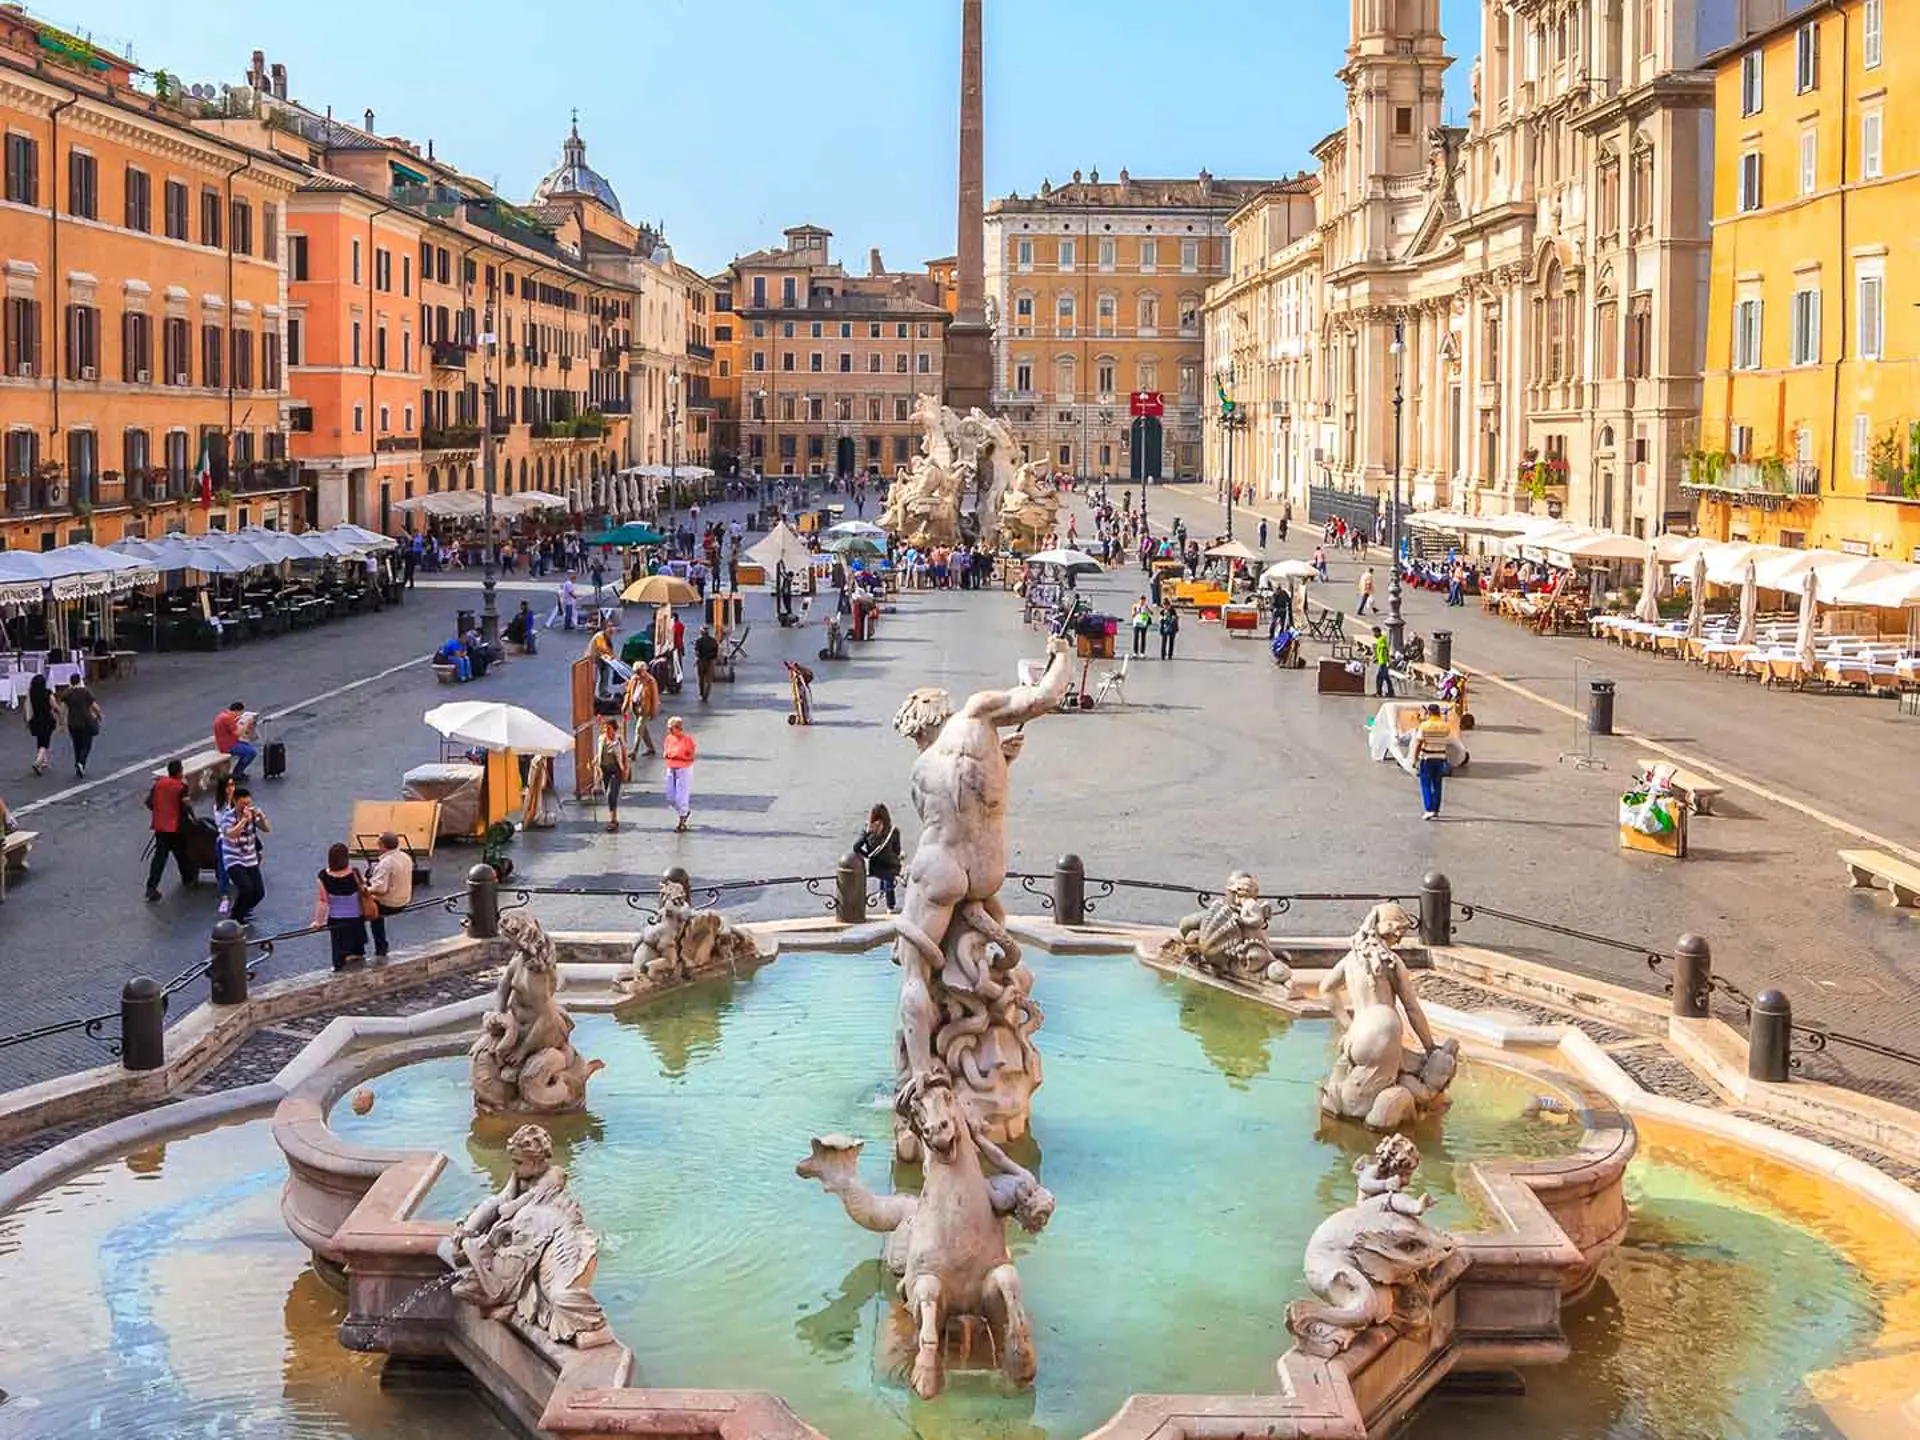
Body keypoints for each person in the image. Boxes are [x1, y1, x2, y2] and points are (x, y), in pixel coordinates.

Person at [313, 841, 370, 971]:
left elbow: (323, 900)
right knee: (357, 951)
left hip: (336, 918)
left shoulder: (323, 876)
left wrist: (318, 921)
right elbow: (364, 890)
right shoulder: (355, 872)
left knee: (339, 949)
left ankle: (338, 968)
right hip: (356, 917)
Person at [144, 758, 195, 902]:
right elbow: (187, 806)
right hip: (176, 828)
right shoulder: (181, 787)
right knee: (182, 854)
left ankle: (151, 887)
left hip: (160, 827)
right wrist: (193, 818)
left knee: (159, 858)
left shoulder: (158, 784)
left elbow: (149, 803)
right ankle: (188, 879)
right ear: (180, 772)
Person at [221, 786, 269, 925]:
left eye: (248, 803)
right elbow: (231, 834)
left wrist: (261, 816)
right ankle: (235, 918)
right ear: (235, 802)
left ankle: (245, 909)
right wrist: (243, 821)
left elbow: (266, 829)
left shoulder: (252, 815)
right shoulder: (228, 817)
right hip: (233, 858)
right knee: (246, 888)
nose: (246, 807)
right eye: (243, 804)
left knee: (259, 893)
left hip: (250, 858)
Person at [365, 830, 413, 958]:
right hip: (405, 900)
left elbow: (380, 889)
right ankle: (381, 946)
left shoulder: (386, 863)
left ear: (382, 846)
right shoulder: (406, 857)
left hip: (390, 904)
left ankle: (376, 947)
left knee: (364, 908)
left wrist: (364, 889)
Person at [853, 803, 903, 912]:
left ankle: (881, 892)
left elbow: (856, 847)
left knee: (882, 871)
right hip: (890, 864)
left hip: (875, 864)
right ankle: (891, 906)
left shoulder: (867, 829)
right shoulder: (893, 830)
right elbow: (897, 850)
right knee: (889, 878)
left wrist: (868, 855)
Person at [1415, 704, 1452, 820]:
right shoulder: (1446, 727)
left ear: (1429, 713)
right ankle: (1436, 809)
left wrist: (1414, 758)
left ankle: (1429, 808)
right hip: (1440, 758)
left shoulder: (1424, 726)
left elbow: (1419, 743)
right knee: (1437, 784)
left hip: (1427, 758)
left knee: (1425, 784)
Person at [61, 677, 101, 778]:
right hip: (85, 721)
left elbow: (63, 709)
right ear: (79, 681)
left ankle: (78, 763)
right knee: (87, 744)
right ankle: (81, 762)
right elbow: (94, 706)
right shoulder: (85, 691)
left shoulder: (67, 693)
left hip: (72, 723)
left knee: (77, 744)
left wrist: (62, 722)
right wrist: (99, 715)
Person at [596, 717, 630, 833]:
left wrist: (626, 770)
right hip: (604, 769)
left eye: (609, 728)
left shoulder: (618, 740)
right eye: (605, 728)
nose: (606, 730)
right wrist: (594, 761)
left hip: (616, 769)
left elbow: (625, 755)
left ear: (614, 729)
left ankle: (613, 820)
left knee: (612, 793)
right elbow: (600, 752)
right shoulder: (601, 739)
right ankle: (614, 817)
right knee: (607, 794)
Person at [662, 716, 695, 832]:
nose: (669, 731)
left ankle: (682, 821)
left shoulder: (687, 740)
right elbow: (665, 753)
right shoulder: (669, 739)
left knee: (681, 796)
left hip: (683, 770)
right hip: (671, 768)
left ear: (678, 728)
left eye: (671, 728)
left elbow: (690, 756)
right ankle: (684, 811)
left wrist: (677, 756)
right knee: (670, 797)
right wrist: (670, 755)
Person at [212, 700, 258, 780]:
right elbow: (237, 733)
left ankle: (238, 772)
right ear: (237, 711)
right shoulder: (228, 719)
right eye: (241, 713)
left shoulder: (224, 715)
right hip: (228, 745)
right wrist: (247, 723)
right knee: (252, 752)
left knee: (249, 746)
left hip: (226, 742)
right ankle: (237, 773)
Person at [624, 661, 660, 756]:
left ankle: (634, 751)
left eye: (639, 672)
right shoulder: (634, 679)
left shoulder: (651, 681)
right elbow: (628, 692)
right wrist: (625, 705)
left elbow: (655, 698)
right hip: (636, 707)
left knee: (639, 729)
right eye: (636, 672)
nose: (638, 674)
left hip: (645, 709)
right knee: (643, 730)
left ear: (644, 670)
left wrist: (653, 711)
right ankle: (651, 748)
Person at [24, 672, 57, 775]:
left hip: (35, 720)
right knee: (45, 743)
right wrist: (60, 713)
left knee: (40, 740)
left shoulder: (31, 693)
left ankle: (44, 761)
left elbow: (27, 707)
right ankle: (38, 761)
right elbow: (54, 705)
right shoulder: (47, 693)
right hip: (47, 720)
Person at [694, 624, 720, 703]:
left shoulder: (699, 641)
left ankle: (702, 693)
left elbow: (697, 653)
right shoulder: (713, 641)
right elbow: (716, 651)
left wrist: (697, 659)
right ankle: (706, 696)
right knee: (708, 680)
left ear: (701, 632)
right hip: (711, 661)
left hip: (702, 661)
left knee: (701, 678)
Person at [1372, 625, 1396, 698]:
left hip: (1383, 662)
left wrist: (1386, 661)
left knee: (1379, 678)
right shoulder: (1381, 640)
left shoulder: (1381, 640)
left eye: (1374, 633)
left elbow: (1384, 651)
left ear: (1377, 632)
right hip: (1383, 661)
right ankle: (1391, 692)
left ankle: (1379, 693)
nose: (1373, 635)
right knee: (1386, 678)